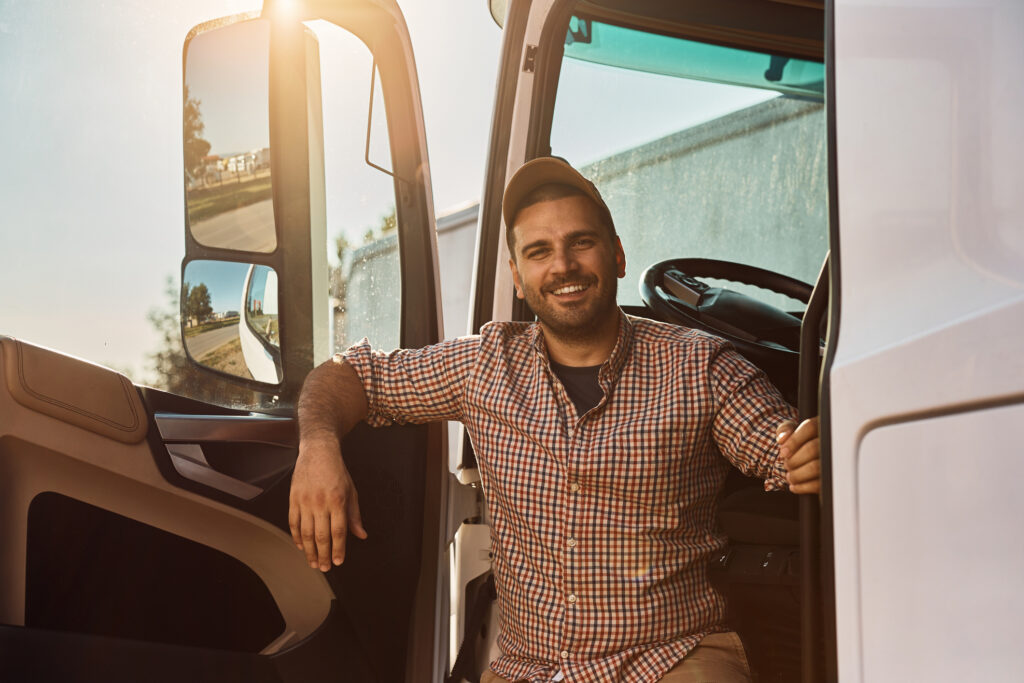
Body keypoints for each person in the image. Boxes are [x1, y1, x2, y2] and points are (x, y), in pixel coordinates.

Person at [289, 156, 822, 683]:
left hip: (674, 658)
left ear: (616, 254)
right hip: (530, 670)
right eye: (539, 251)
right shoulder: (484, 364)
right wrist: (317, 446)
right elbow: (351, 376)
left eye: (580, 243)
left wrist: (801, 453)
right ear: (518, 278)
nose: (562, 265)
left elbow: (776, 440)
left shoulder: (698, 364)